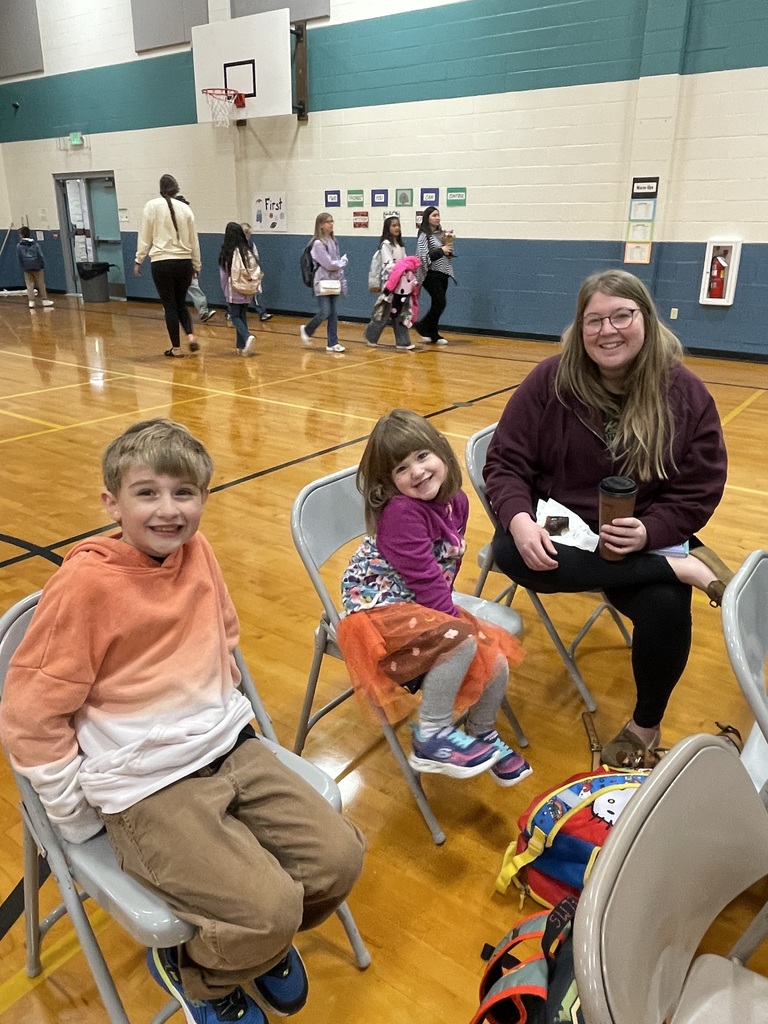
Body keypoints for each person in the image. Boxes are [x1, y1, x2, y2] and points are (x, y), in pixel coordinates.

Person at [0, 418, 366, 1024]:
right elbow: (30, 715)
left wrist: (220, 713)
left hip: (228, 747)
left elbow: (222, 639)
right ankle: (200, 970)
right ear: (111, 503)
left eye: (184, 493)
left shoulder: (198, 553)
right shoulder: (85, 586)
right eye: (147, 493)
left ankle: (253, 948)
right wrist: (72, 811)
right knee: (267, 908)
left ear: (203, 498)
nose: (168, 511)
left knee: (339, 861)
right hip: (147, 784)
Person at [483, 269, 733, 769]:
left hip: (641, 529)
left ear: (646, 319)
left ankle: (645, 724)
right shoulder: (549, 381)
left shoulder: (682, 391)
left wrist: (653, 531)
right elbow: (505, 465)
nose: (608, 330)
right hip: (565, 525)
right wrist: (518, 519)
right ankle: (682, 566)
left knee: (665, 608)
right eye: (594, 319)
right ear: (579, 328)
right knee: (510, 549)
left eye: (622, 315)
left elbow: (699, 487)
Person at [337, 409, 532, 786]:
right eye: (402, 469)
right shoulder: (400, 513)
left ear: (441, 451)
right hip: (379, 608)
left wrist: (462, 629)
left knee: (497, 660)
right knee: (462, 642)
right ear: (390, 482)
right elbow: (426, 581)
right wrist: (457, 627)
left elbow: (443, 571)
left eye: (422, 456)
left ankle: (481, 733)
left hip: (419, 600)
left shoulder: (455, 501)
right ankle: (432, 733)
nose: (418, 472)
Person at [134, 174, 201, 357]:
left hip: (162, 263)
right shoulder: (186, 209)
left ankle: (176, 348)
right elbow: (194, 241)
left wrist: (139, 259)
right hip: (184, 262)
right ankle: (191, 337)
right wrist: (197, 264)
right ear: (176, 189)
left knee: (169, 305)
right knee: (181, 303)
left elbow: (145, 236)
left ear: (160, 189)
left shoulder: (151, 206)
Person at [363, 217, 416, 350]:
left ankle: (402, 341)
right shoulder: (385, 245)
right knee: (385, 312)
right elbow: (388, 265)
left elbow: (405, 261)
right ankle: (371, 335)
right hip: (391, 284)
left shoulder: (400, 245)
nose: (397, 228)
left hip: (402, 284)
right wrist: (401, 268)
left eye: (398, 225)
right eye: (393, 225)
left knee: (400, 311)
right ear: (388, 228)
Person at [299, 213, 348, 354]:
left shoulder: (333, 242)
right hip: (322, 281)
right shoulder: (317, 244)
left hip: (334, 281)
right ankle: (307, 329)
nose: (331, 224)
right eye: (328, 222)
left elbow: (336, 263)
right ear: (321, 225)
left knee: (334, 313)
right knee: (325, 311)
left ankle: (333, 342)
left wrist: (342, 281)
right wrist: (342, 263)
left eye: (332, 221)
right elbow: (329, 264)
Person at [412, 206, 454, 345]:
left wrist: (448, 251)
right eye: (434, 215)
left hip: (443, 272)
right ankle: (424, 326)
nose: (437, 218)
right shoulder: (424, 235)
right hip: (430, 273)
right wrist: (441, 250)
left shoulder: (441, 234)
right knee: (440, 301)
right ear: (427, 218)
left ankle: (430, 331)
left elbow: (443, 254)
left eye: (438, 215)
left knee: (438, 304)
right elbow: (423, 257)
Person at [219, 221, 260, 357]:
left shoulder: (227, 253)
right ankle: (241, 346)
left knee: (235, 316)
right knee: (242, 315)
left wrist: (225, 290)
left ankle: (247, 336)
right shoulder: (247, 250)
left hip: (233, 290)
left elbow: (224, 276)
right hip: (246, 290)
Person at [176, 194, 216, 323]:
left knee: (193, 286)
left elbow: (194, 245)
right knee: (173, 289)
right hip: (172, 262)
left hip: (186, 260)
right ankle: (171, 311)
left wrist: (195, 264)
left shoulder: (188, 224)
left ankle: (203, 311)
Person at [241, 223, 273, 322]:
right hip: (243, 274)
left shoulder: (251, 244)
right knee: (241, 296)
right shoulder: (237, 246)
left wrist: (258, 270)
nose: (247, 236)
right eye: (246, 234)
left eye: (248, 234)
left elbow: (256, 257)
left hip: (253, 272)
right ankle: (230, 312)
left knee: (257, 293)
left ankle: (262, 313)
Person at [17, 226, 54, 309]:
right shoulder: (35, 244)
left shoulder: (19, 246)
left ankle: (31, 302)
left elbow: (19, 257)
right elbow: (40, 255)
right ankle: (44, 300)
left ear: (21, 235)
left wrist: (22, 266)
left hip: (26, 267)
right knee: (41, 283)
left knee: (29, 284)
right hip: (37, 266)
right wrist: (42, 265)